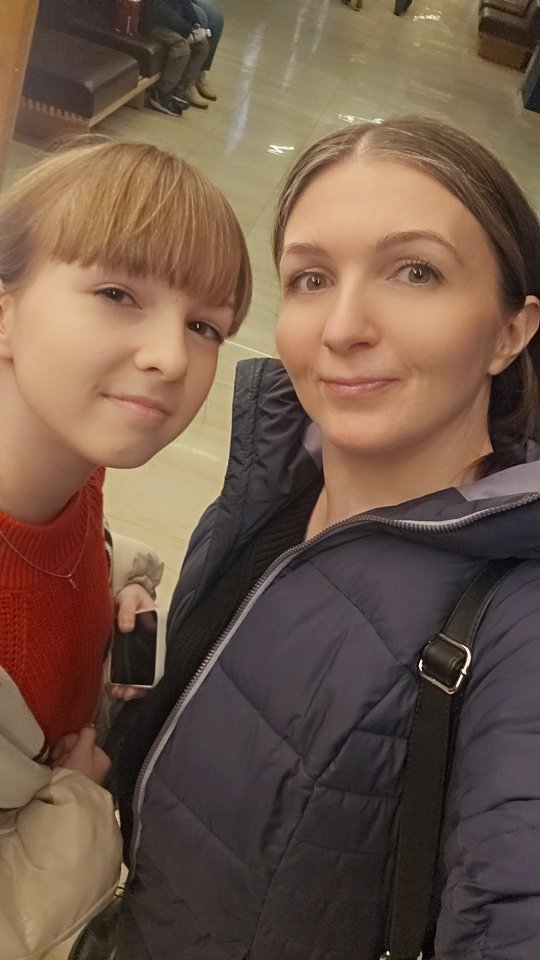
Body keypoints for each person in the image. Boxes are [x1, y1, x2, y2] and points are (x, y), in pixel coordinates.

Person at [114, 116, 540, 959]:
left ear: (509, 332)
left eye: (415, 272)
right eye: (311, 278)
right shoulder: (274, 493)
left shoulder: (514, 617)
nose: (342, 328)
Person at [0, 138, 251, 959]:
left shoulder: (76, 467)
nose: (171, 358)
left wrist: (118, 583)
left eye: (205, 326)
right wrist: (74, 803)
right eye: (116, 293)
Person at [143, 0, 216, 114]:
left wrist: (195, 24)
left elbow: (185, 3)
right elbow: (159, 10)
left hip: (173, 23)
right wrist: (187, 30)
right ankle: (162, 94)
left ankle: (180, 90)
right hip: (154, 23)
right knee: (181, 48)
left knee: (202, 45)